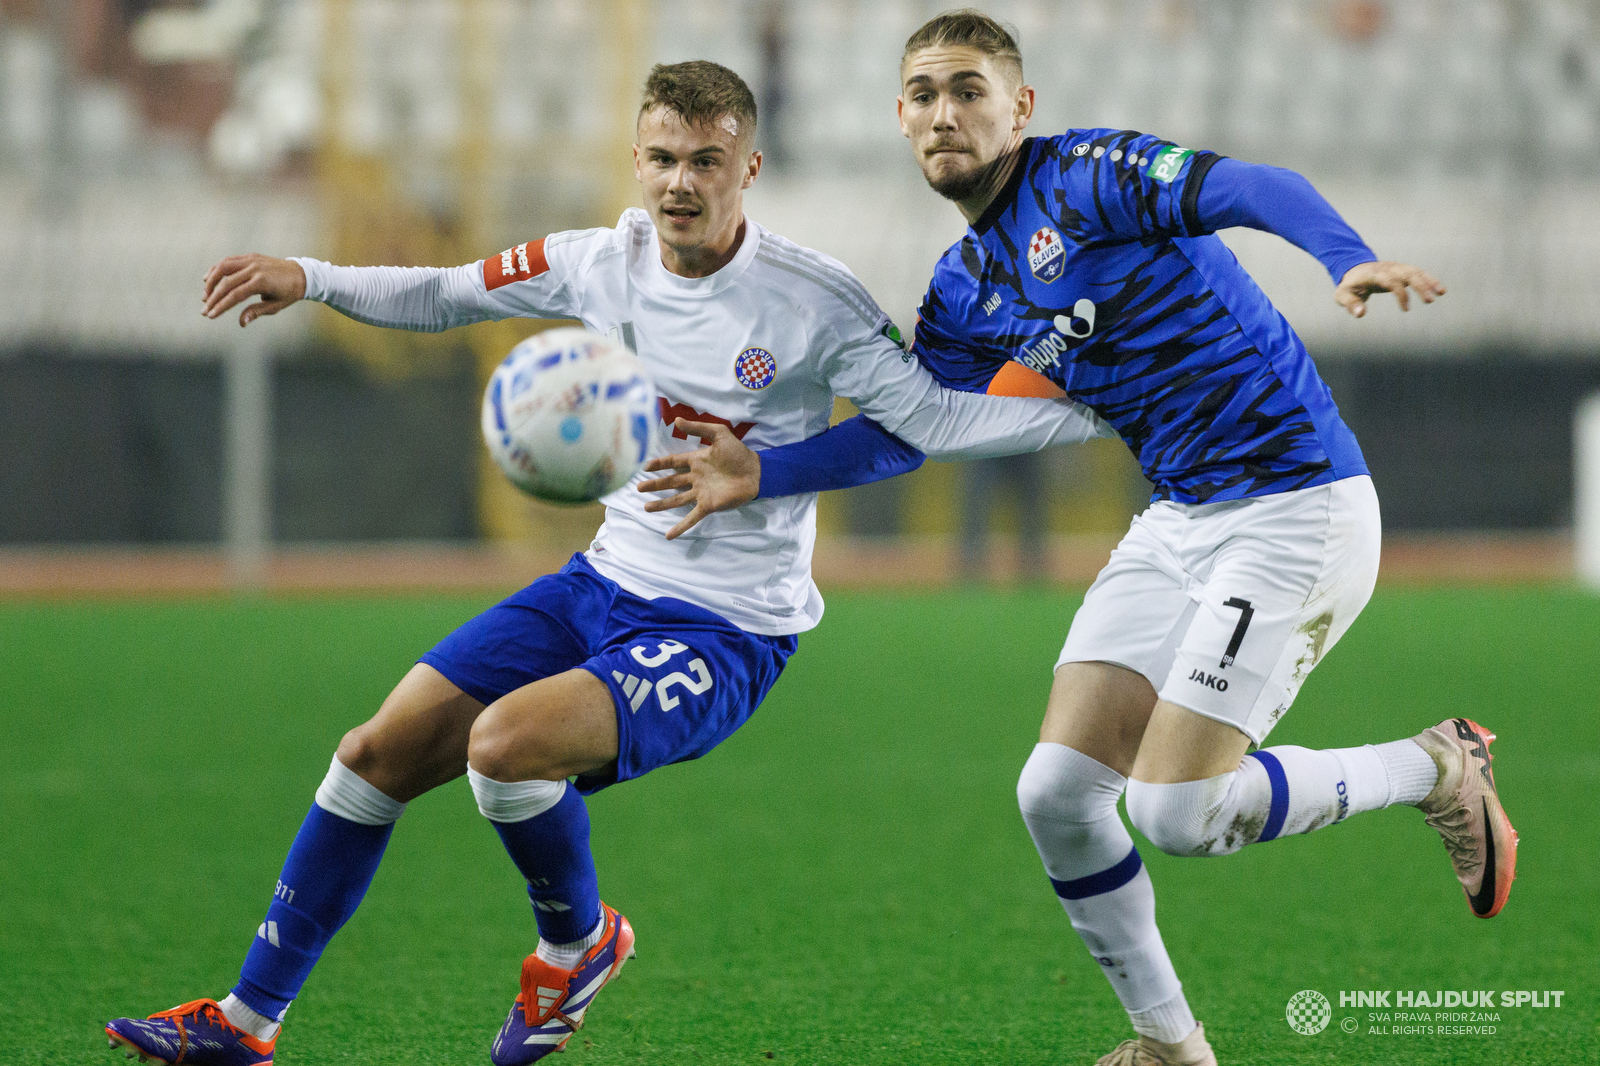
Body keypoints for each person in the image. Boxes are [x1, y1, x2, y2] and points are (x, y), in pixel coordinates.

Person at [102, 59, 1111, 1066]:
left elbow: (910, 429)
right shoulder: (596, 261)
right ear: (636, 160)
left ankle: (577, 944)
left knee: (503, 748)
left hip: (725, 626)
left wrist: (760, 474)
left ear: (747, 167)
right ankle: (245, 1024)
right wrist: (310, 276)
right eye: (663, 159)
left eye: (706, 162)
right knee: (372, 754)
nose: (681, 182)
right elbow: (448, 293)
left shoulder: (815, 302)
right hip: (600, 582)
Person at [636, 13, 1517, 1066]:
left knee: (1177, 812)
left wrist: (1349, 255)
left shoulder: (1091, 176)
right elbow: (910, 431)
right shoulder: (964, 288)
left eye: (968, 88)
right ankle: (1170, 1046)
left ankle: (1434, 766)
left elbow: (1249, 185)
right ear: (899, 119)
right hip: (1182, 515)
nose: (943, 111)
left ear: (1021, 108)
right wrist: (763, 472)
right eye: (921, 93)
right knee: (1054, 794)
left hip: (1297, 505)